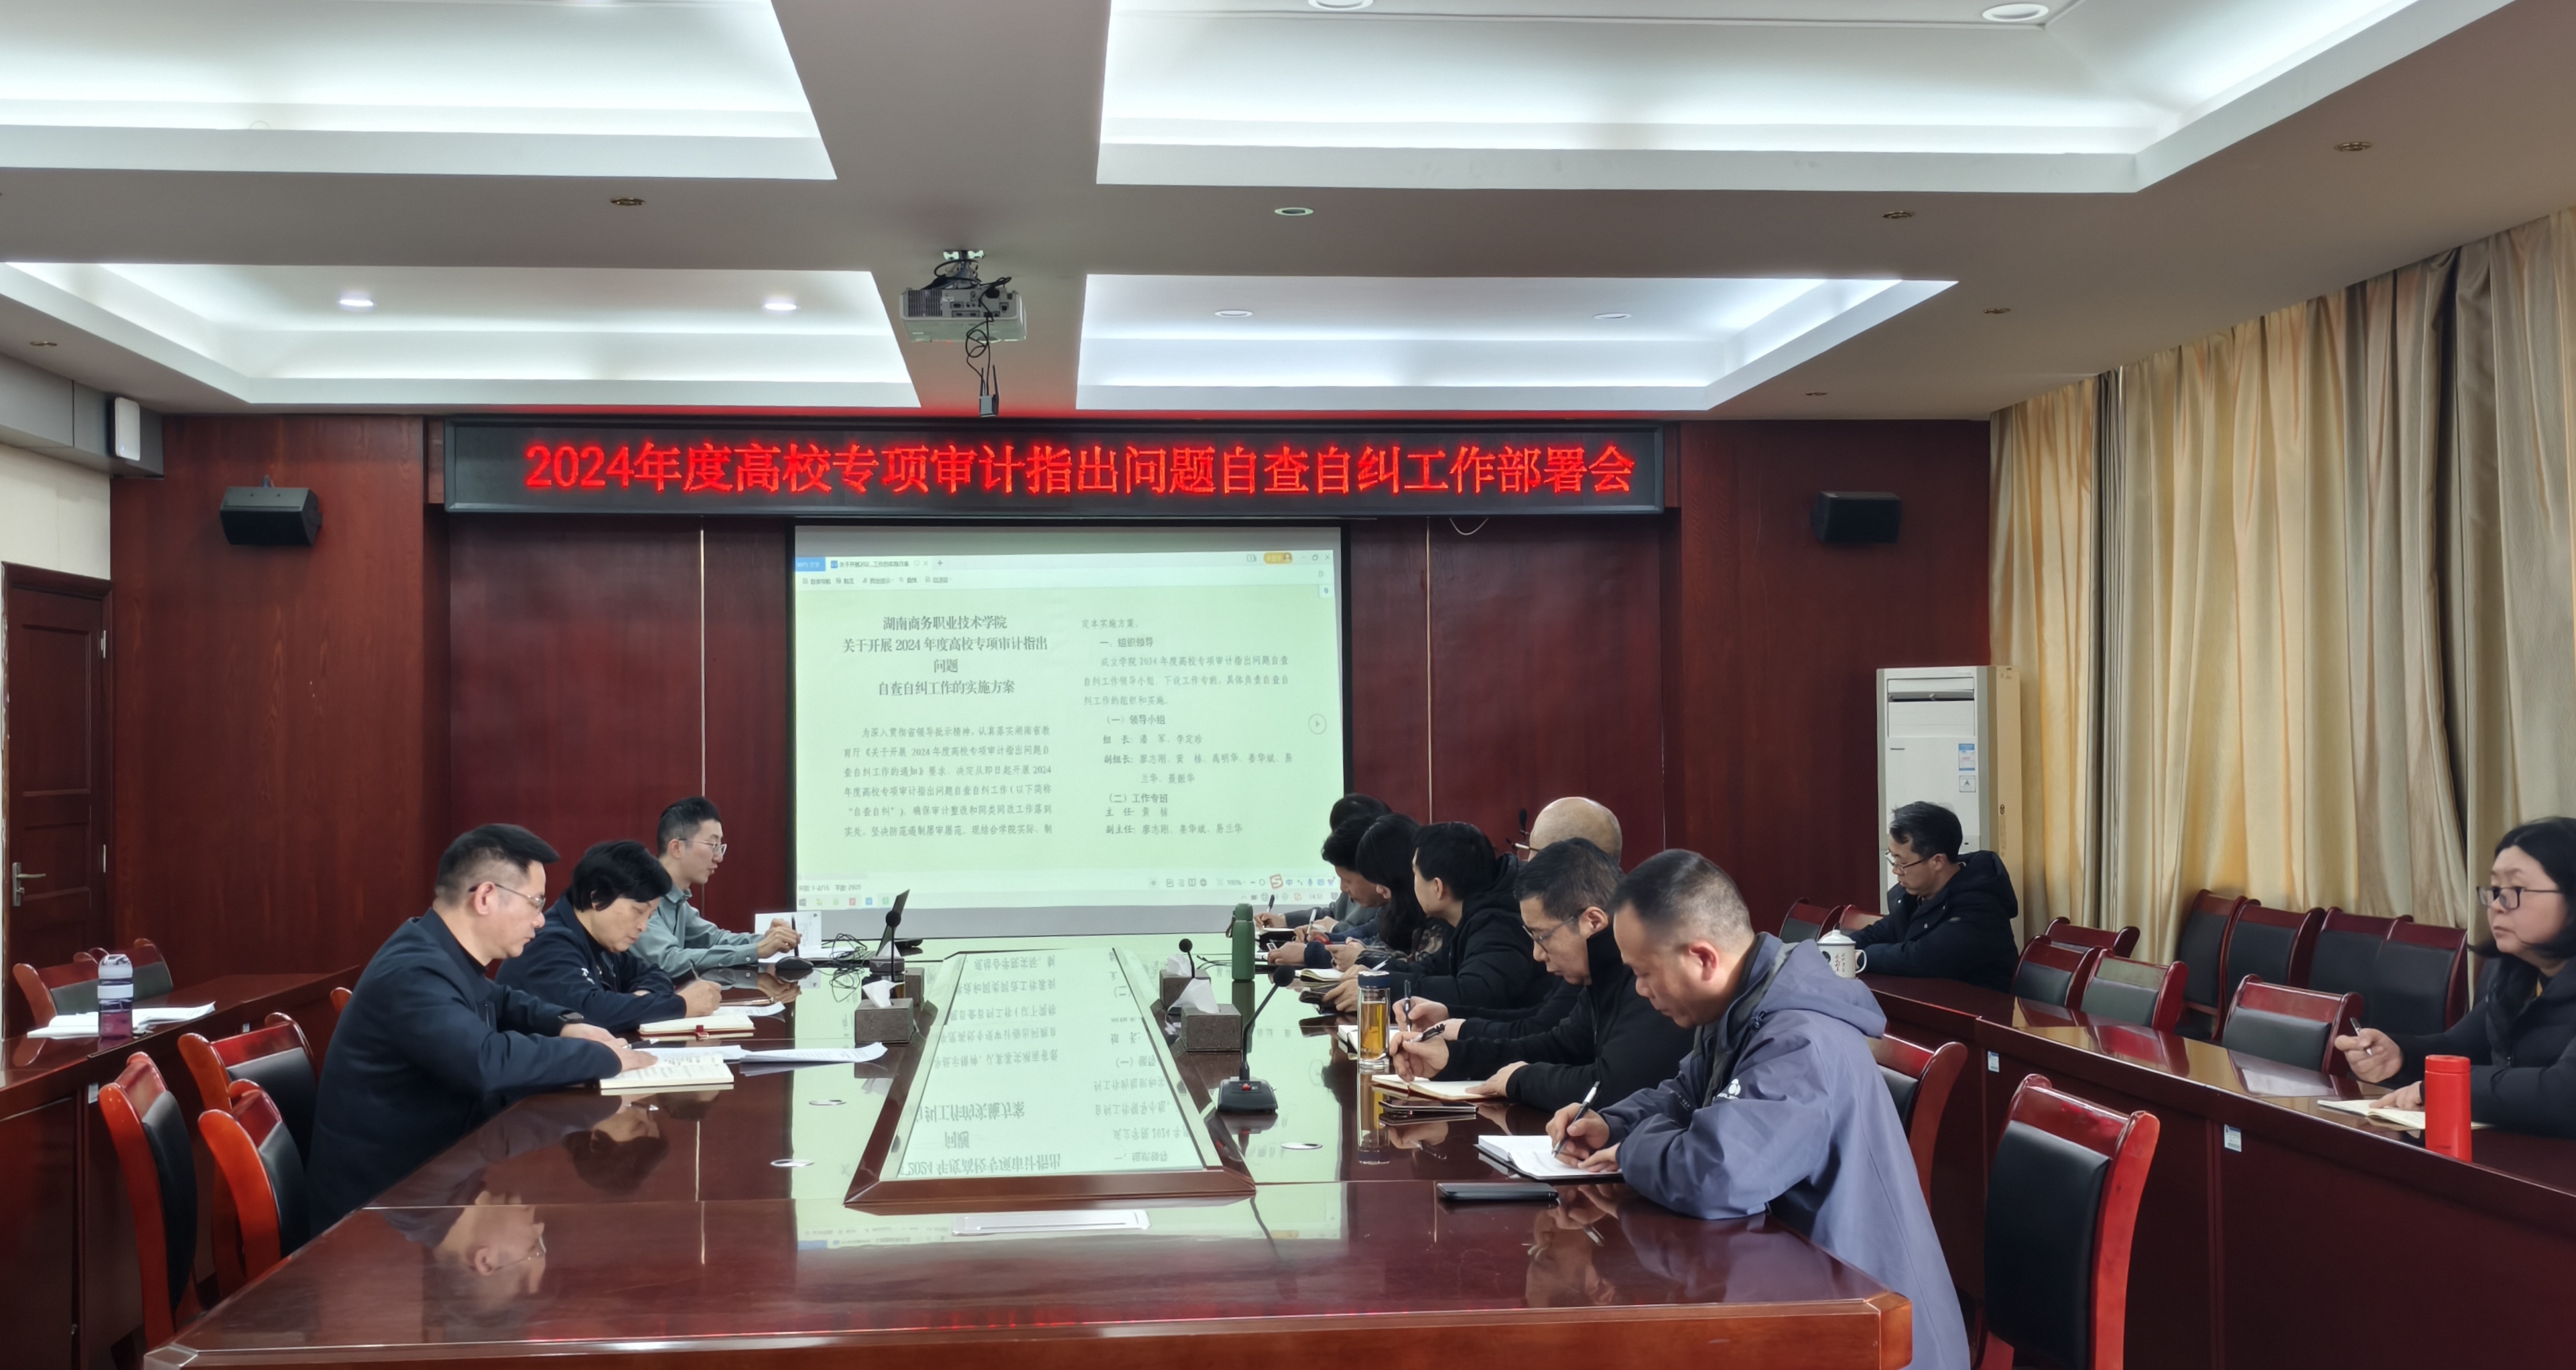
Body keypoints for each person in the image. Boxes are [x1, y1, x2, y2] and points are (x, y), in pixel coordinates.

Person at [1549, 849, 1968, 1370]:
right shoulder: (1743, 1008)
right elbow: (1684, 1094)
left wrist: (1632, 1149)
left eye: (1644, 972)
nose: (1639, 989)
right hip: (1805, 1298)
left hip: (1871, 1333)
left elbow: (1717, 1172)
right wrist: (1613, 1123)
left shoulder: (1800, 1040)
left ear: (1702, 959)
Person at [308, 824, 657, 1233]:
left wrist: (568, 1026)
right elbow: (486, 1061)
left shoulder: (440, 953)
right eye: (535, 903)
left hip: (434, 1182)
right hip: (377, 1215)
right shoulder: (413, 971)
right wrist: (603, 1057)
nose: (541, 921)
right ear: (486, 897)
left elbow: (504, 1000)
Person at [1389, 837, 1693, 1113]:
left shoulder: (1651, 975)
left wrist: (1522, 1079)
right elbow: (1559, 1046)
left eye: (1542, 936)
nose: (1537, 954)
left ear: (1592, 922)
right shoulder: (1600, 970)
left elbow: (1614, 1087)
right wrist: (1452, 1058)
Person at [2337, 817, 2576, 1137]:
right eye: (2495, 890)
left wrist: (2444, 1086)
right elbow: (2462, 1046)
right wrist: (2399, 1056)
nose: (2497, 906)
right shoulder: (2512, 970)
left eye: (2516, 890)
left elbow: (2565, 1093)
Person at [1399, 795, 1626, 1034]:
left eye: (1532, 850)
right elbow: (1544, 1021)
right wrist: (1449, 1016)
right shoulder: (1590, 941)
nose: (1526, 862)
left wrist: (1459, 1029)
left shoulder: (1602, 954)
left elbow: (1547, 1035)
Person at [498, 840, 722, 1033]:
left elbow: (655, 974)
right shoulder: (549, 944)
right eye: (638, 911)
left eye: (650, 916)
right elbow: (591, 1013)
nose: (643, 926)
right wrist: (680, 1005)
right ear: (597, 898)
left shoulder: (601, 941)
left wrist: (641, 1001)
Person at [1334, 822, 1544, 1013]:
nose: (1412, 882)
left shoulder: (1499, 926)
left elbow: (1473, 994)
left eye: (1415, 874)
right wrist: (1375, 974)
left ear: (1437, 887)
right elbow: (1432, 969)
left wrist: (1383, 990)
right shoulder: (1467, 913)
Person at [1842, 801, 2019, 993]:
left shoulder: (1981, 906)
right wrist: (1840, 946)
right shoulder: (1917, 895)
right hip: (1928, 999)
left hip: (1978, 1007)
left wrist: (1863, 958)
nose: (1896, 871)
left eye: (1902, 863)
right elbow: (1882, 931)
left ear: (1937, 862)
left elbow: (1924, 958)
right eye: (1893, 859)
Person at [638, 796, 799, 978]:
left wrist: (768, 940)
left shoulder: (678, 899)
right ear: (677, 848)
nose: (719, 858)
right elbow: (668, 961)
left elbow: (715, 939)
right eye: (713, 845)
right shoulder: (641, 896)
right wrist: (756, 950)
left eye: (720, 847)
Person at [1259, 793, 1391, 933]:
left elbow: (1370, 938)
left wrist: (1334, 928)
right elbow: (1333, 914)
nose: (1343, 888)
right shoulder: (1352, 877)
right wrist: (1284, 920)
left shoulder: (1384, 894)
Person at [1270, 815, 1387, 970]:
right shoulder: (1392, 905)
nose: (1343, 888)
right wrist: (1326, 938)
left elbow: (1387, 955)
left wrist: (1309, 953)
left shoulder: (1407, 905)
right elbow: (1368, 932)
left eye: (1347, 880)